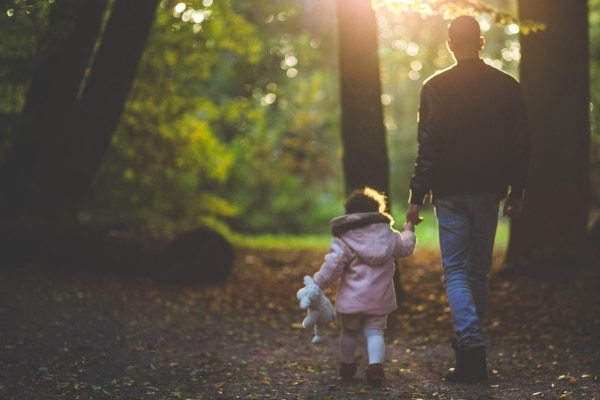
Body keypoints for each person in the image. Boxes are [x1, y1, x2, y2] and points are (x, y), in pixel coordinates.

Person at [406, 16, 530, 383]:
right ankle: (469, 352)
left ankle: (471, 351)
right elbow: (520, 141)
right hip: (490, 191)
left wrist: (416, 195)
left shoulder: (436, 87)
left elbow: (428, 144)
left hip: (449, 192)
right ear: (480, 42)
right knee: (478, 271)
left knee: (457, 271)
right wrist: (518, 190)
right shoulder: (506, 86)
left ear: (449, 44)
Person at [311, 186, 416, 387]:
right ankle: (375, 367)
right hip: (380, 298)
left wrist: (319, 284)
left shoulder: (344, 238)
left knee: (349, 332)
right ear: (377, 210)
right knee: (375, 333)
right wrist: (409, 231)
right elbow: (406, 248)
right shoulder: (389, 235)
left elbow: (333, 266)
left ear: (349, 213)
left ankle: (347, 366)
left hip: (352, 300)